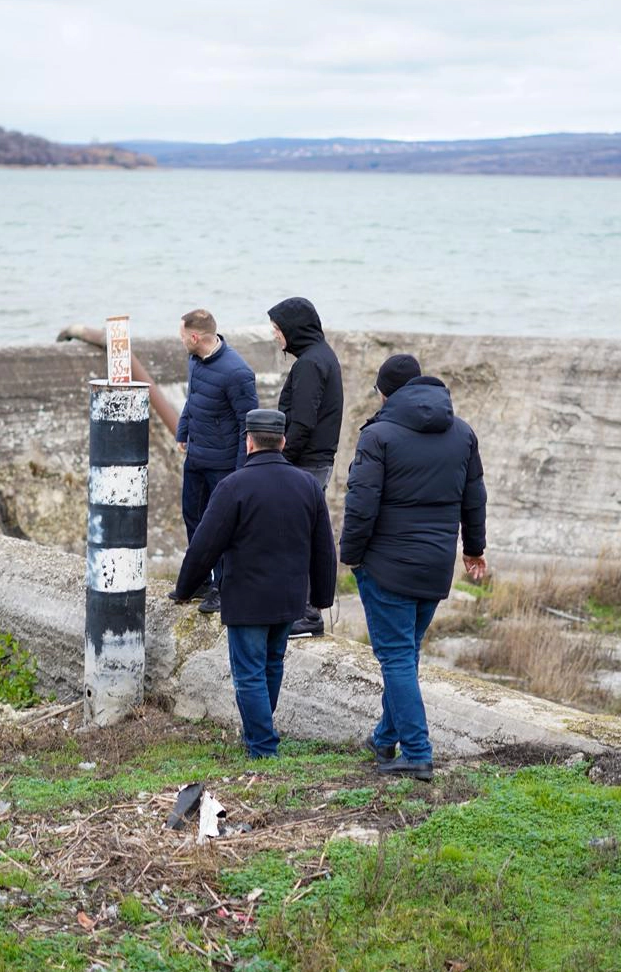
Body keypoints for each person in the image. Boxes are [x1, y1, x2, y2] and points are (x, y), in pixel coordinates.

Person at [340, 355, 487, 781]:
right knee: (405, 655)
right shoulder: (462, 434)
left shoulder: (378, 436)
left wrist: (351, 555)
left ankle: (418, 751)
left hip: (387, 567)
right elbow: (474, 497)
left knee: (397, 658)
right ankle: (384, 737)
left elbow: (361, 504)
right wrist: (474, 549)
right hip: (435, 567)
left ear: (387, 392)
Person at [170, 408, 336, 758]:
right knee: (272, 665)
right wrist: (321, 596)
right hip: (289, 598)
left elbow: (204, 546)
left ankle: (262, 746)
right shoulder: (307, 484)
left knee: (248, 675)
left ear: (248, 442)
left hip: (247, 598)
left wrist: (185, 588)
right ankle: (258, 736)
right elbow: (323, 548)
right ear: (283, 442)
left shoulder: (234, 487)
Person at [266, 296, 344, 637]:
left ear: (294, 330)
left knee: (301, 536)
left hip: (306, 462)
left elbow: (303, 423)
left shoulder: (311, 364)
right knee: (305, 533)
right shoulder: (319, 357)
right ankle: (303, 609)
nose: (275, 336)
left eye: (278, 329)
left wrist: (279, 460)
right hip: (313, 461)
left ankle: (309, 614)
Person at [175, 309, 258, 614]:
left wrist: (240, 472)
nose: (181, 339)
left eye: (182, 335)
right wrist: (183, 431)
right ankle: (198, 581)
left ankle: (222, 588)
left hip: (223, 465)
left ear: (195, 337)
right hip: (196, 457)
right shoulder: (195, 361)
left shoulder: (237, 372)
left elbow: (246, 425)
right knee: (192, 518)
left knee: (222, 528)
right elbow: (193, 400)